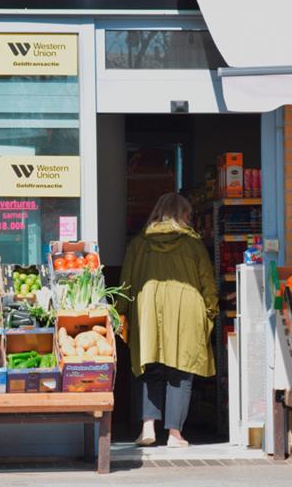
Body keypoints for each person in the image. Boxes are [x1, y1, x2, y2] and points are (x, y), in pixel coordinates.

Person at [117, 192, 218, 448]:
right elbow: (207, 282)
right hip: (187, 310)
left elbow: (126, 283)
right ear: (184, 215)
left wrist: (121, 312)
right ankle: (175, 434)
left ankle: (147, 427)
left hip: (148, 310)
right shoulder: (193, 243)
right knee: (181, 372)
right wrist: (211, 312)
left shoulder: (139, 243)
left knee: (150, 369)